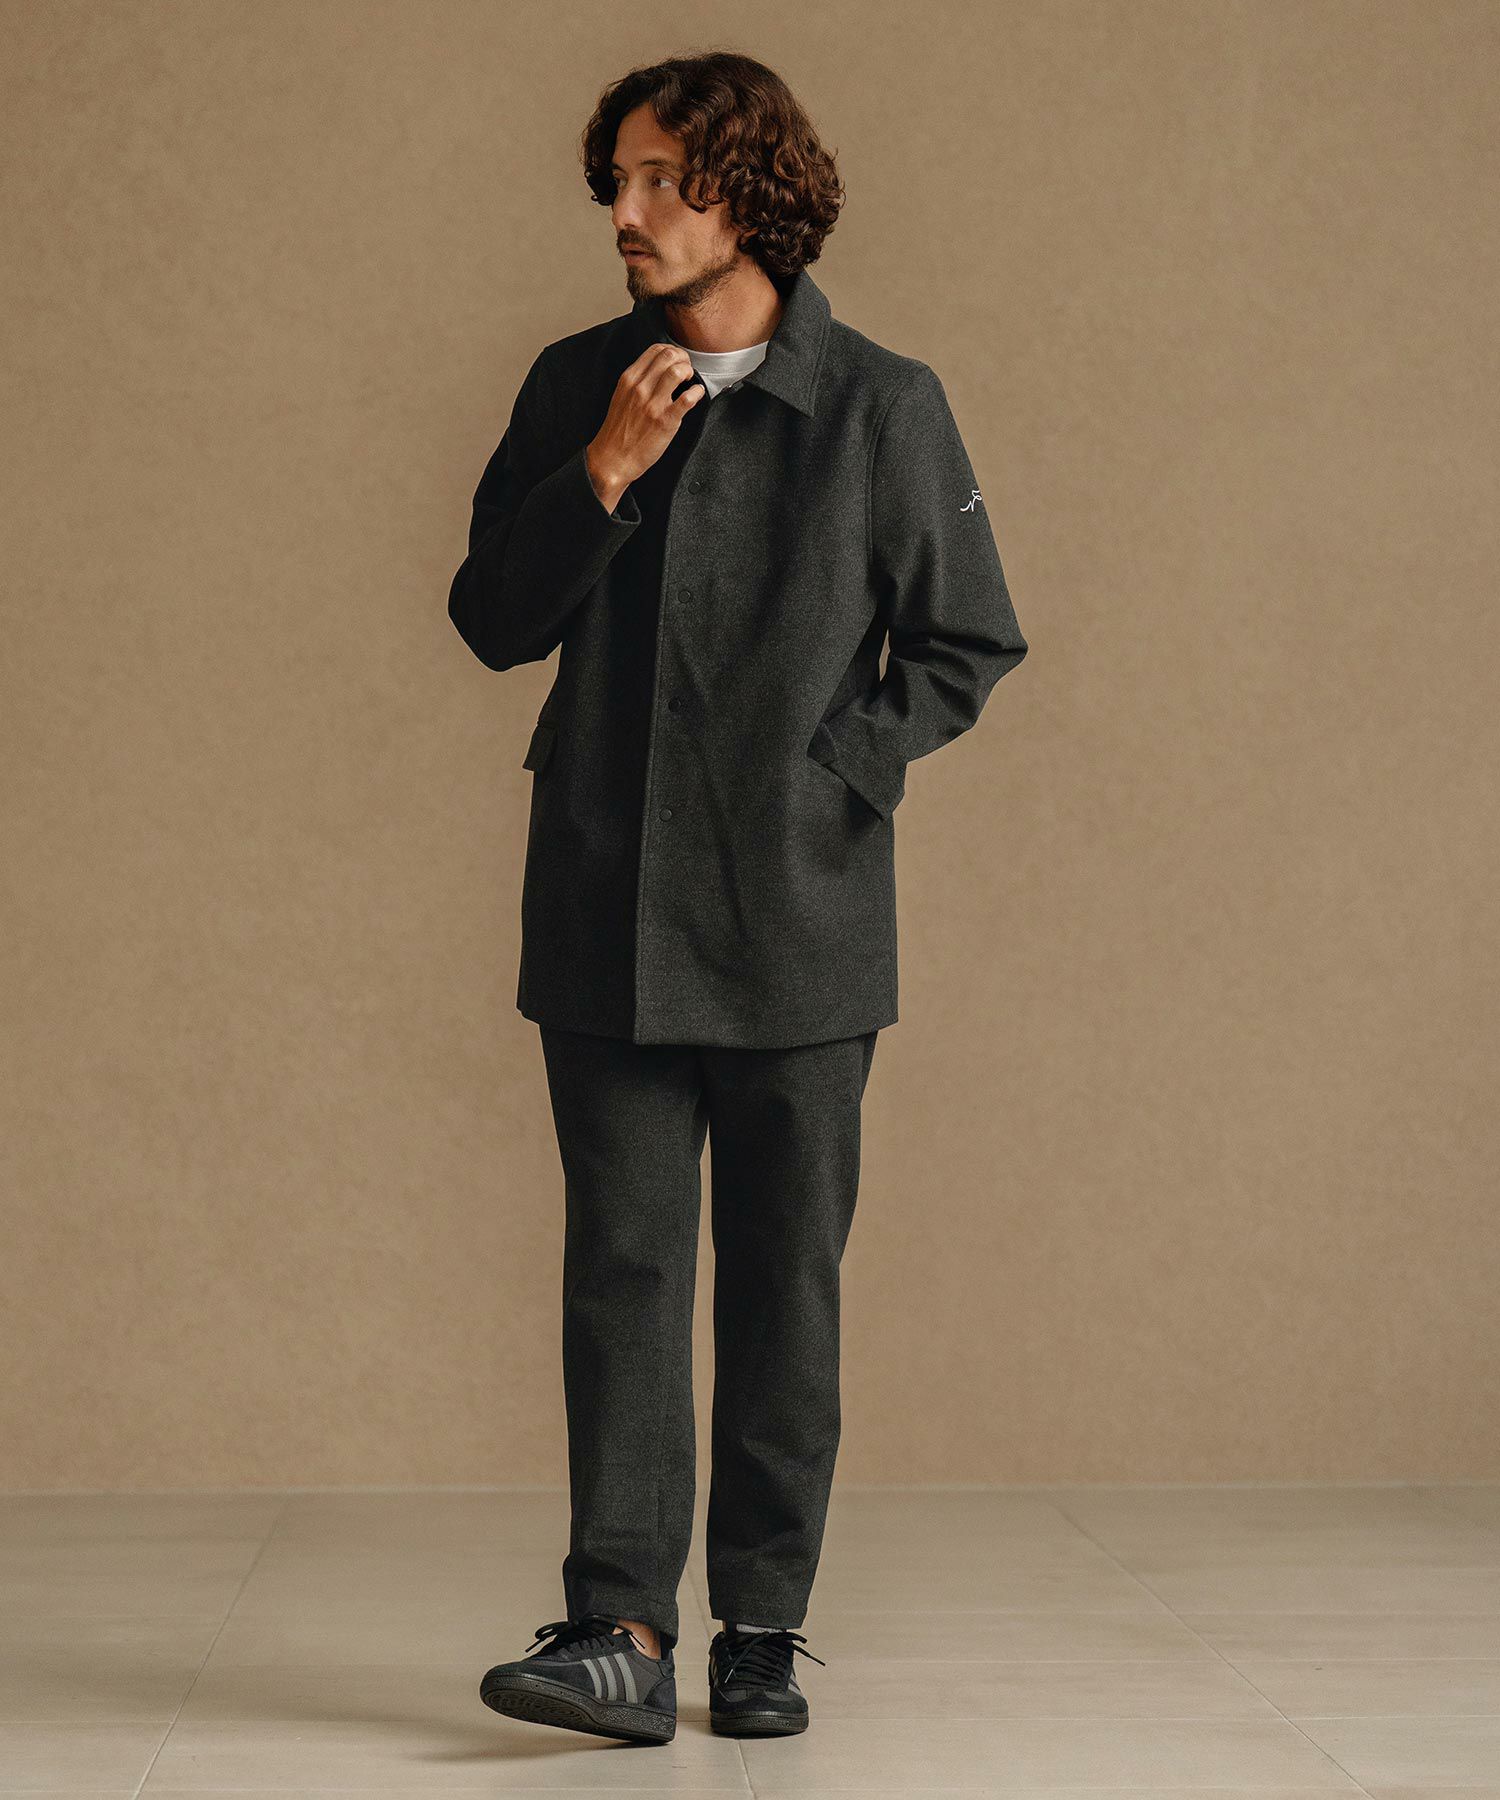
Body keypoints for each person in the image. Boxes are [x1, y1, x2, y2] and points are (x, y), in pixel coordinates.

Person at [449, 49, 1028, 1746]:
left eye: (658, 180)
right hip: (603, 902)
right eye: (614, 182)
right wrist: (603, 474)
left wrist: (833, 777)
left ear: (747, 193)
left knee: (785, 1283)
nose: (622, 216)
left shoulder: (882, 405)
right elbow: (491, 619)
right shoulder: (580, 384)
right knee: (621, 1275)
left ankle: (761, 1628)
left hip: (801, 916)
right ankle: (618, 1629)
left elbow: (968, 637)